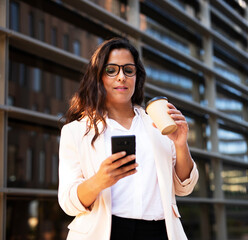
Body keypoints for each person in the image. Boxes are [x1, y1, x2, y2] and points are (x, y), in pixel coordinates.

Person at [58, 37, 199, 240]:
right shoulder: (76, 131)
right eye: (111, 70)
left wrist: (180, 143)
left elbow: (184, 187)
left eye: (128, 70)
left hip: (159, 232)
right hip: (106, 233)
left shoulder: (158, 124)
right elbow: (68, 202)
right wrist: (100, 180)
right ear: (99, 77)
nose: (121, 77)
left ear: (136, 76)